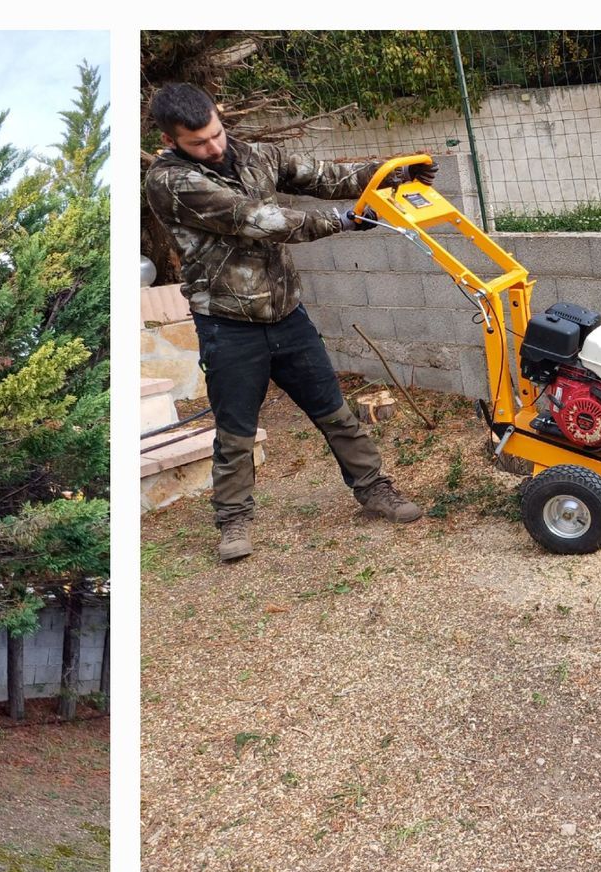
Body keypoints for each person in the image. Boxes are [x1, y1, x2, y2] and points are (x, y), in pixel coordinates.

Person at [145, 81, 429, 563]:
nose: (214, 147)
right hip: (227, 324)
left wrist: (390, 175)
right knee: (235, 430)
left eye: (215, 133)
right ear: (172, 141)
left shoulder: (258, 155)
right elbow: (257, 219)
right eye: (198, 143)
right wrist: (340, 221)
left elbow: (326, 177)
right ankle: (233, 520)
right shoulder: (170, 182)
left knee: (333, 409)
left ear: (218, 115)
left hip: (286, 313)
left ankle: (375, 489)